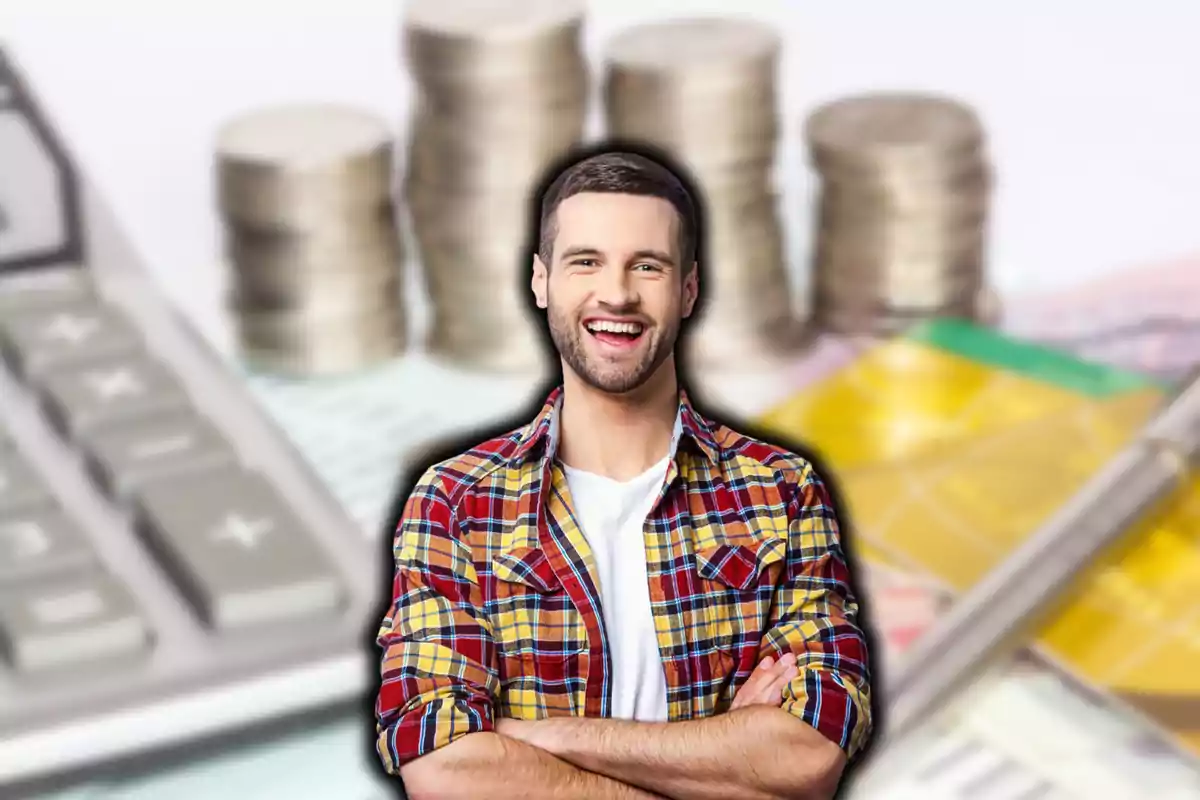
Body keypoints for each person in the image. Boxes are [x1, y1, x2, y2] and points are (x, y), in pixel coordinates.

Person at [374, 149, 873, 799]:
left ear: (688, 290)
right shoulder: (456, 501)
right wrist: (725, 756)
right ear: (541, 281)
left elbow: (808, 753)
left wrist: (537, 734)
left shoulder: (782, 490)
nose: (617, 293)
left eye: (648, 265)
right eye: (586, 261)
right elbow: (443, 766)